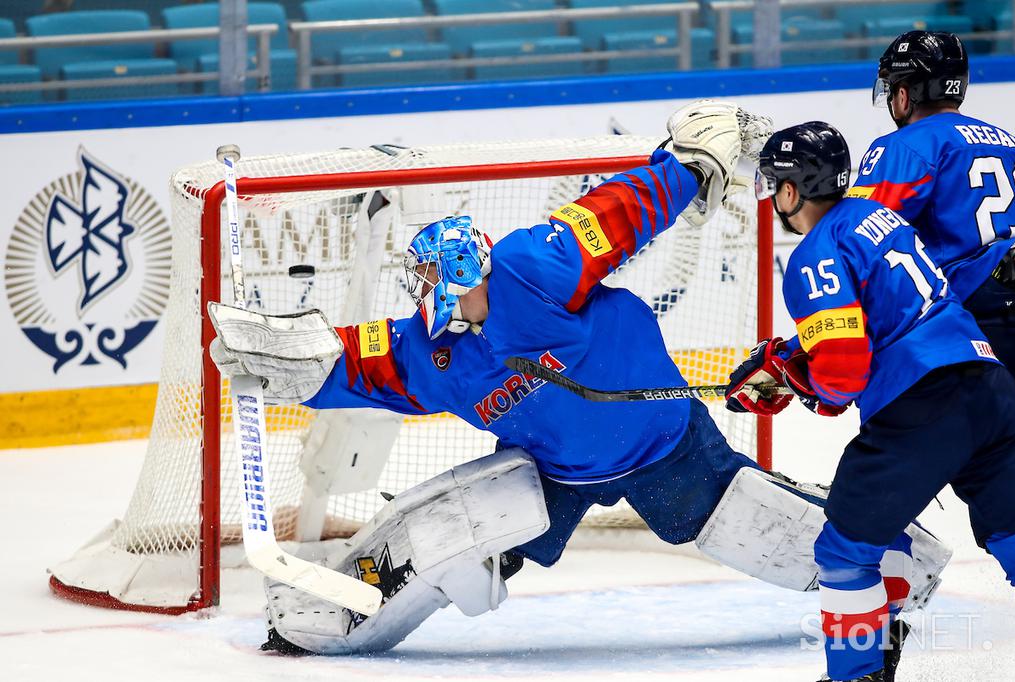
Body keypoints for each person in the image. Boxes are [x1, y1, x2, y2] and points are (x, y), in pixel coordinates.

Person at [208, 102, 946, 657]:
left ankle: (894, 565)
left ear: (461, 270)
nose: (420, 286)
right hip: (555, 472)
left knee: (751, 522)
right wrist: (294, 360)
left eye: (429, 274)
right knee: (471, 528)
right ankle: (332, 617)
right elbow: (356, 362)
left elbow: (617, 213)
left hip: (665, 440)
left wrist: (686, 169)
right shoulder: (432, 353)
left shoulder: (532, 266)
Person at [727, 121, 1015, 682]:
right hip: (992, 385)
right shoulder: (881, 217)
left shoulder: (815, 253)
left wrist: (799, 381)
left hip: (922, 406)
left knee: (844, 553)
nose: (770, 197)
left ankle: (857, 675)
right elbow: (889, 306)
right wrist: (793, 359)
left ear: (791, 191)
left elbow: (841, 376)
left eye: (773, 184)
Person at [851, 30, 1015, 389]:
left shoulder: (906, 145)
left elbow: (857, 237)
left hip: (967, 319)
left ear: (903, 94)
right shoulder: (1013, 144)